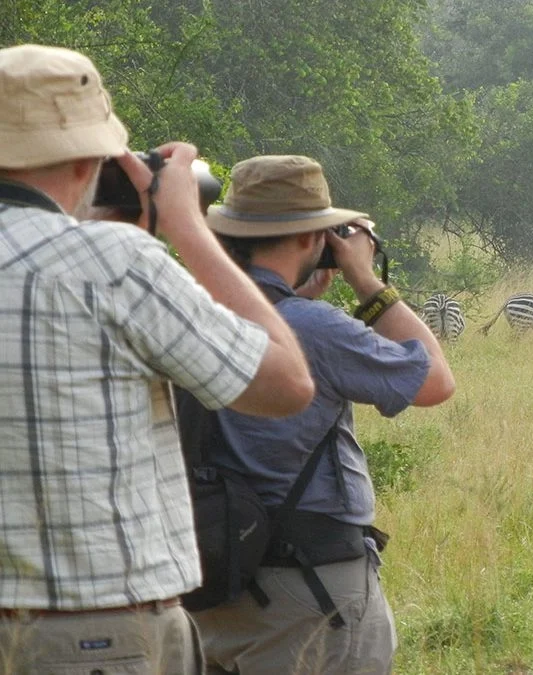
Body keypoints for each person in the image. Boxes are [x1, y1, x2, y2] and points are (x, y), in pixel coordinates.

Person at [0, 45, 316, 674]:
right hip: (94, 629)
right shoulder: (113, 264)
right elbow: (284, 385)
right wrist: (185, 228)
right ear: (93, 157)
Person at [185, 154, 456, 674]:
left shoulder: (191, 310)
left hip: (210, 582)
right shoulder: (314, 327)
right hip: (309, 587)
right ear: (313, 238)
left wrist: (292, 288)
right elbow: (434, 382)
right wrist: (366, 281)